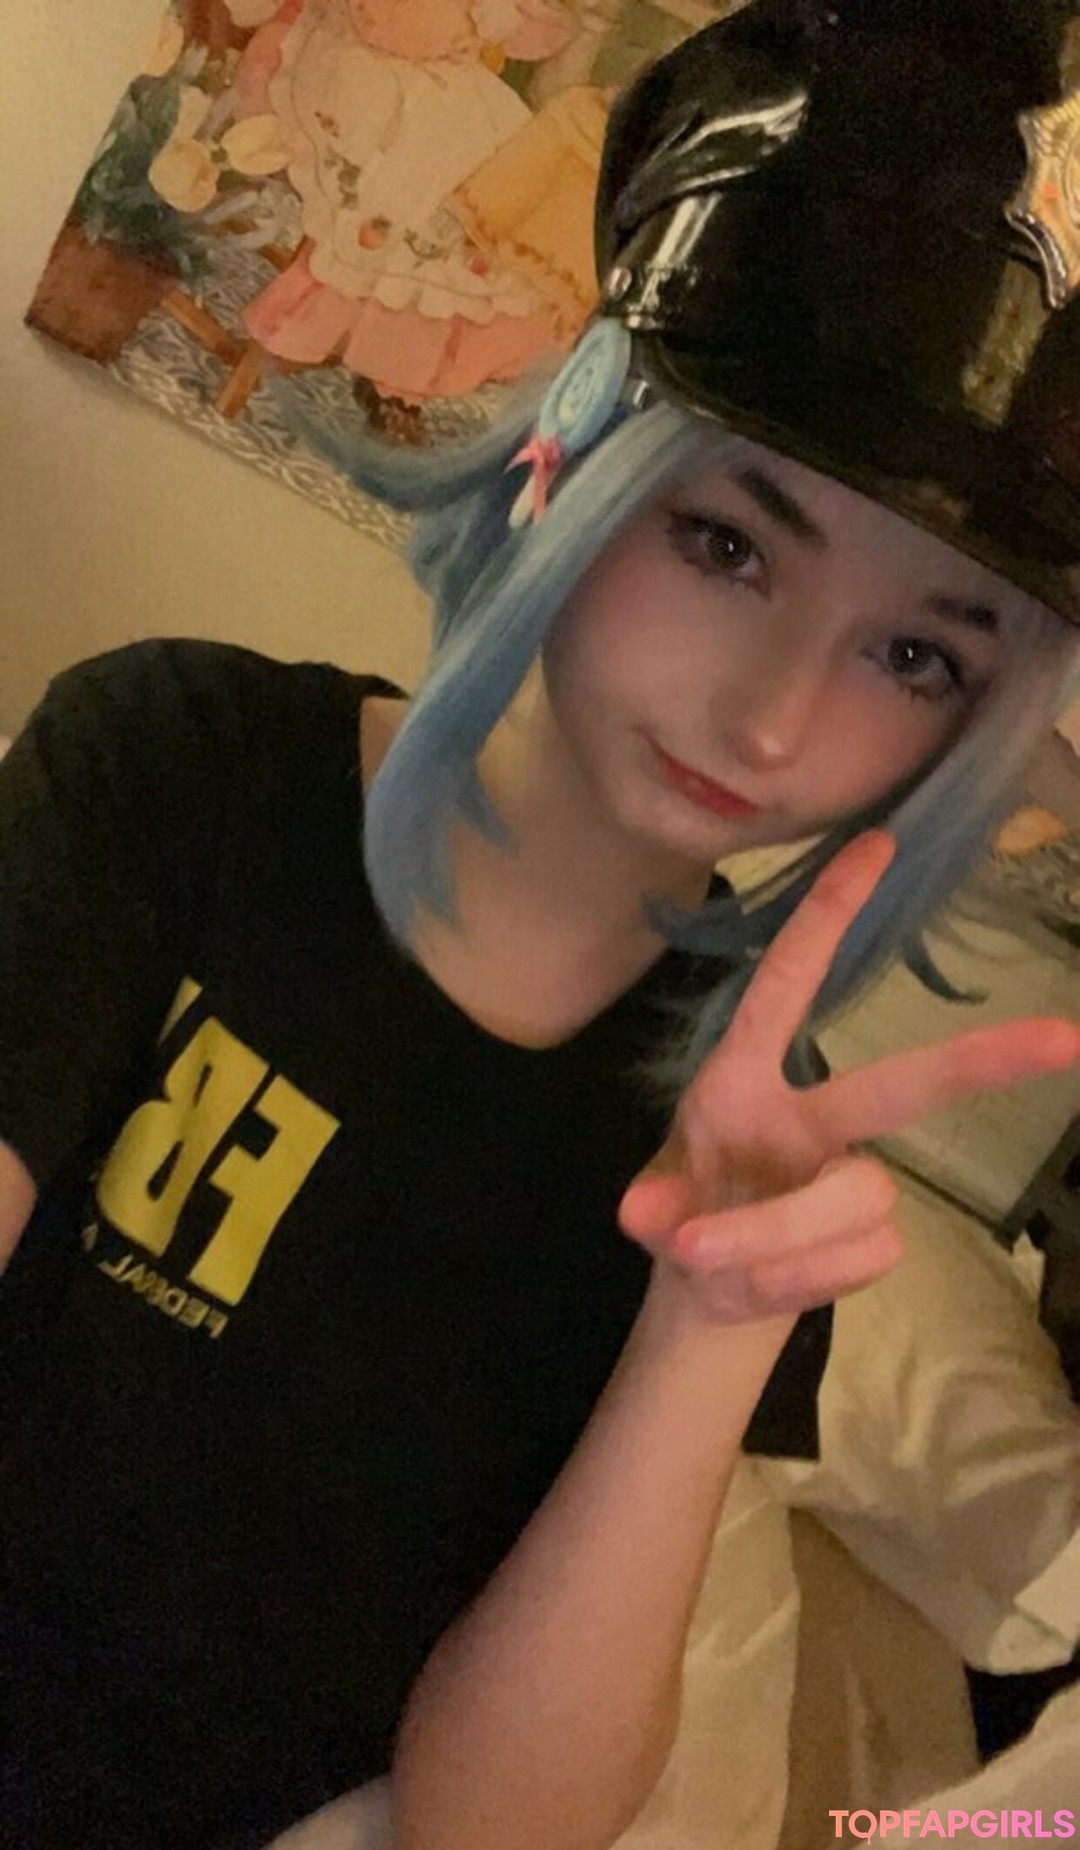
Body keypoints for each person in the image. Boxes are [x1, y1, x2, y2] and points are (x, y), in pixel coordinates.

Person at [2, 1, 1080, 1846]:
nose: (774, 719)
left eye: (915, 655)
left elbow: (482, 1824)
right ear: (571, 454)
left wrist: (705, 1333)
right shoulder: (176, 769)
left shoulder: (746, 1142)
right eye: (728, 545)